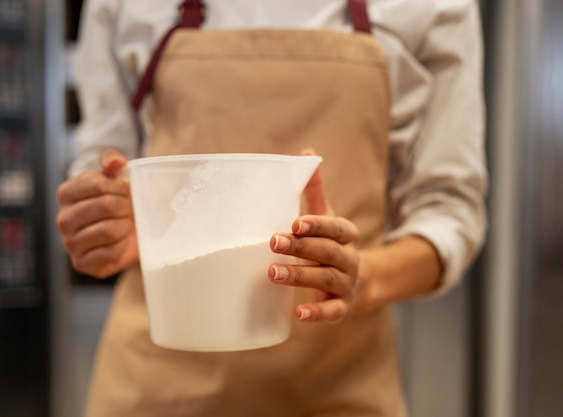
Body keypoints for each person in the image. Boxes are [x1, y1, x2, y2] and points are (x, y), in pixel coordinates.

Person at [55, 0, 487, 415]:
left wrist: (365, 277)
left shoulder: (435, 7)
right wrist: (103, 220)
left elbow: (449, 211)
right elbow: (103, 161)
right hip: (155, 386)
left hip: (338, 386)